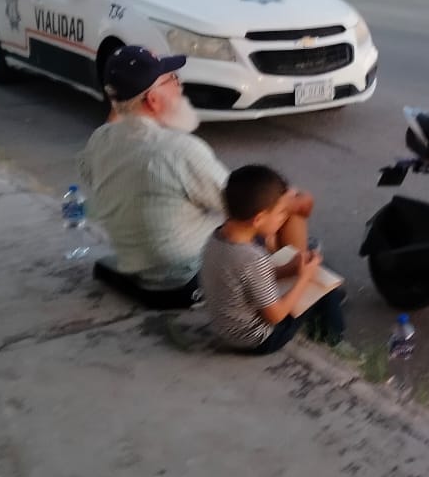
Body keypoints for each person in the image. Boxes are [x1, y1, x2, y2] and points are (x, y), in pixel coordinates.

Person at [78, 45, 314, 308]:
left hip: (133, 264)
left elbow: (90, 176)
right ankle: (296, 301)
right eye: (172, 80)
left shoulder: (99, 140)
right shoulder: (179, 149)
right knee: (286, 202)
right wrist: (299, 202)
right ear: (153, 100)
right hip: (182, 276)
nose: (180, 87)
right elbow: (242, 206)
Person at [202, 164, 345, 354]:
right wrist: (304, 278)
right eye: (281, 213)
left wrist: (289, 269)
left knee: (311, 279)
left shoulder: (217, 238)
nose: (283, 218)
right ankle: (334, 342)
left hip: (225, 329)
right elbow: (275, 316)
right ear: (259, 218)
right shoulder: (252, 257)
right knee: (324, 288)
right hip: (258, 340)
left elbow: (245, 277)